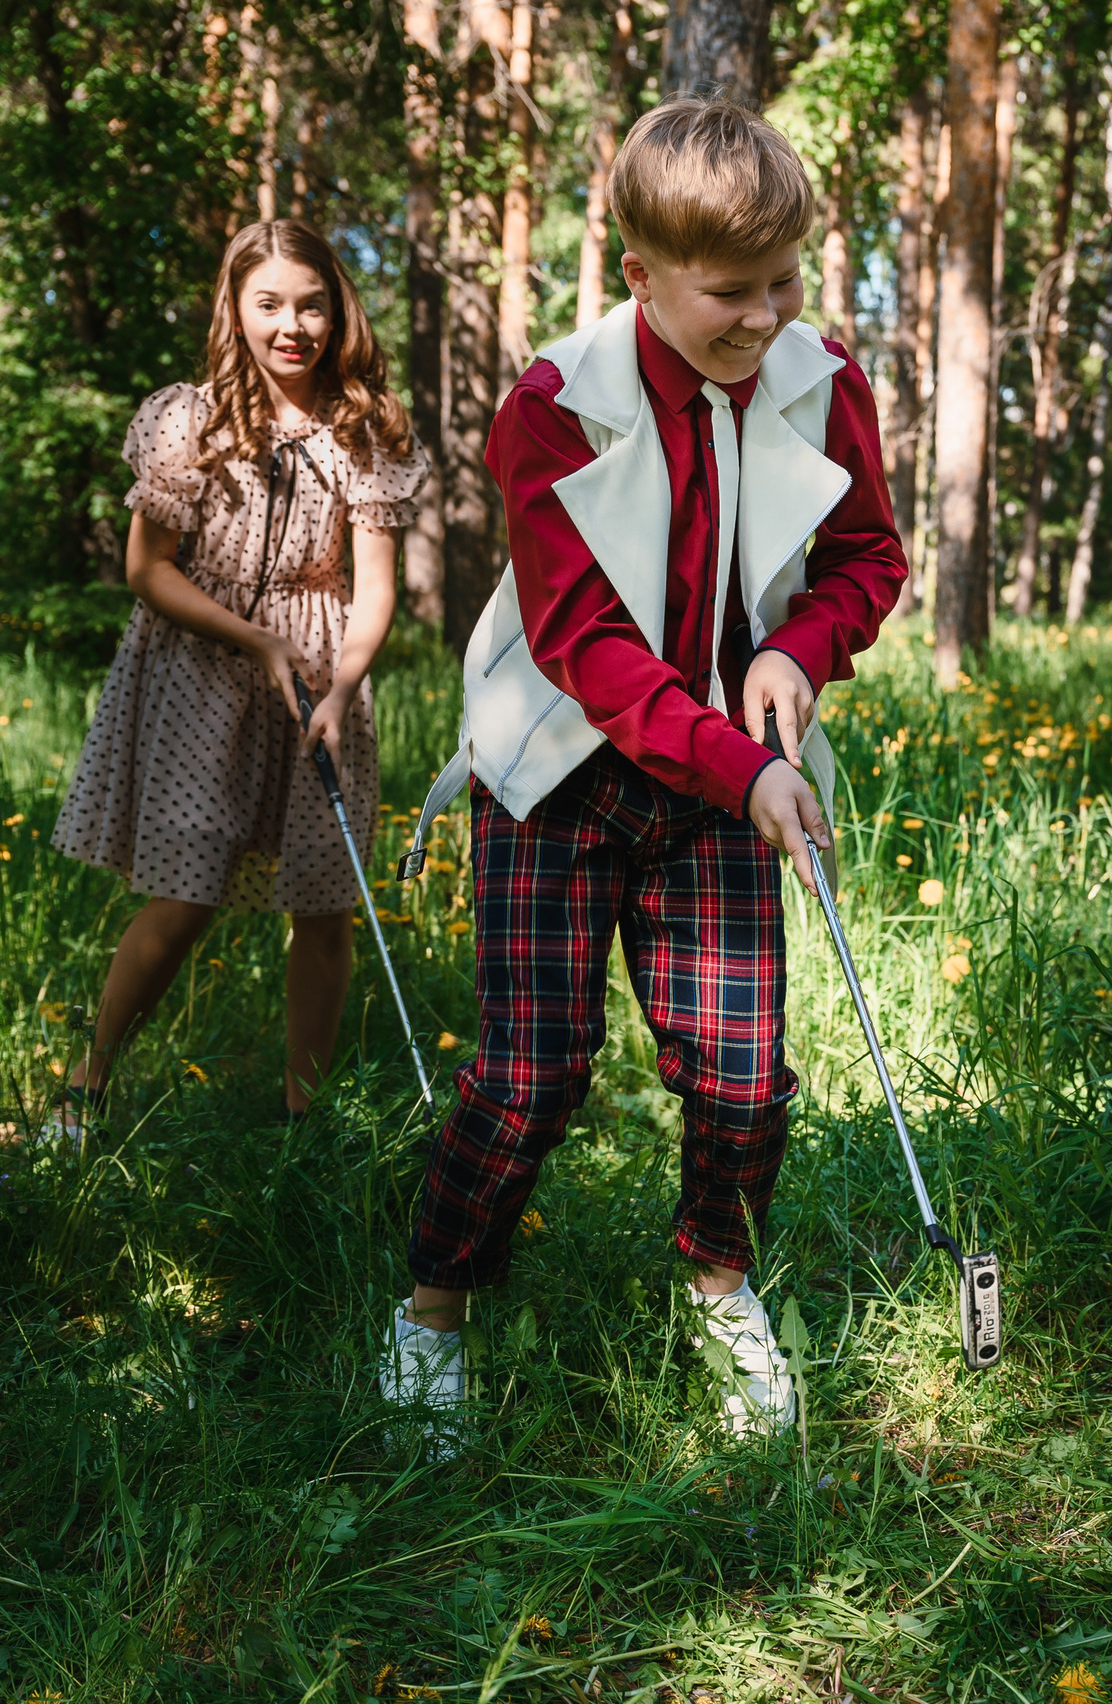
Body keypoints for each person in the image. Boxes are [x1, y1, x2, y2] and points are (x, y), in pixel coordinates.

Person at [387, 96, 908, 1441]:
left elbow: (867, 561)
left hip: (734, 772)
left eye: (786, 280)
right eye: (730, 292)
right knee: (531, 1076)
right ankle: (433, 1309)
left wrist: (801, 646)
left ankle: (720, 1290)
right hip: (561, 769)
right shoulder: (554, 410)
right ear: (641, 276)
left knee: (743, 1075)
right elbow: (587, 649)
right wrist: (742, 768)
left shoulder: (824, 381)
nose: (765, 316)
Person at [48, 219, 428, 1136]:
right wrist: (257, 643)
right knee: (187, 893)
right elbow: (148, 571)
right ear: (236, 309)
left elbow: (373, 590)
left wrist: (341, 686)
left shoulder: (364, 426)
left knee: (325, 903)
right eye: (269, 305)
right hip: (200, 672)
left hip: (319, 673)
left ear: (337, 310)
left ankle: (305, 1119)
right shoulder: (190, 420)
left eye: (311, 305)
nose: (292, 325)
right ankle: (85, 1088)